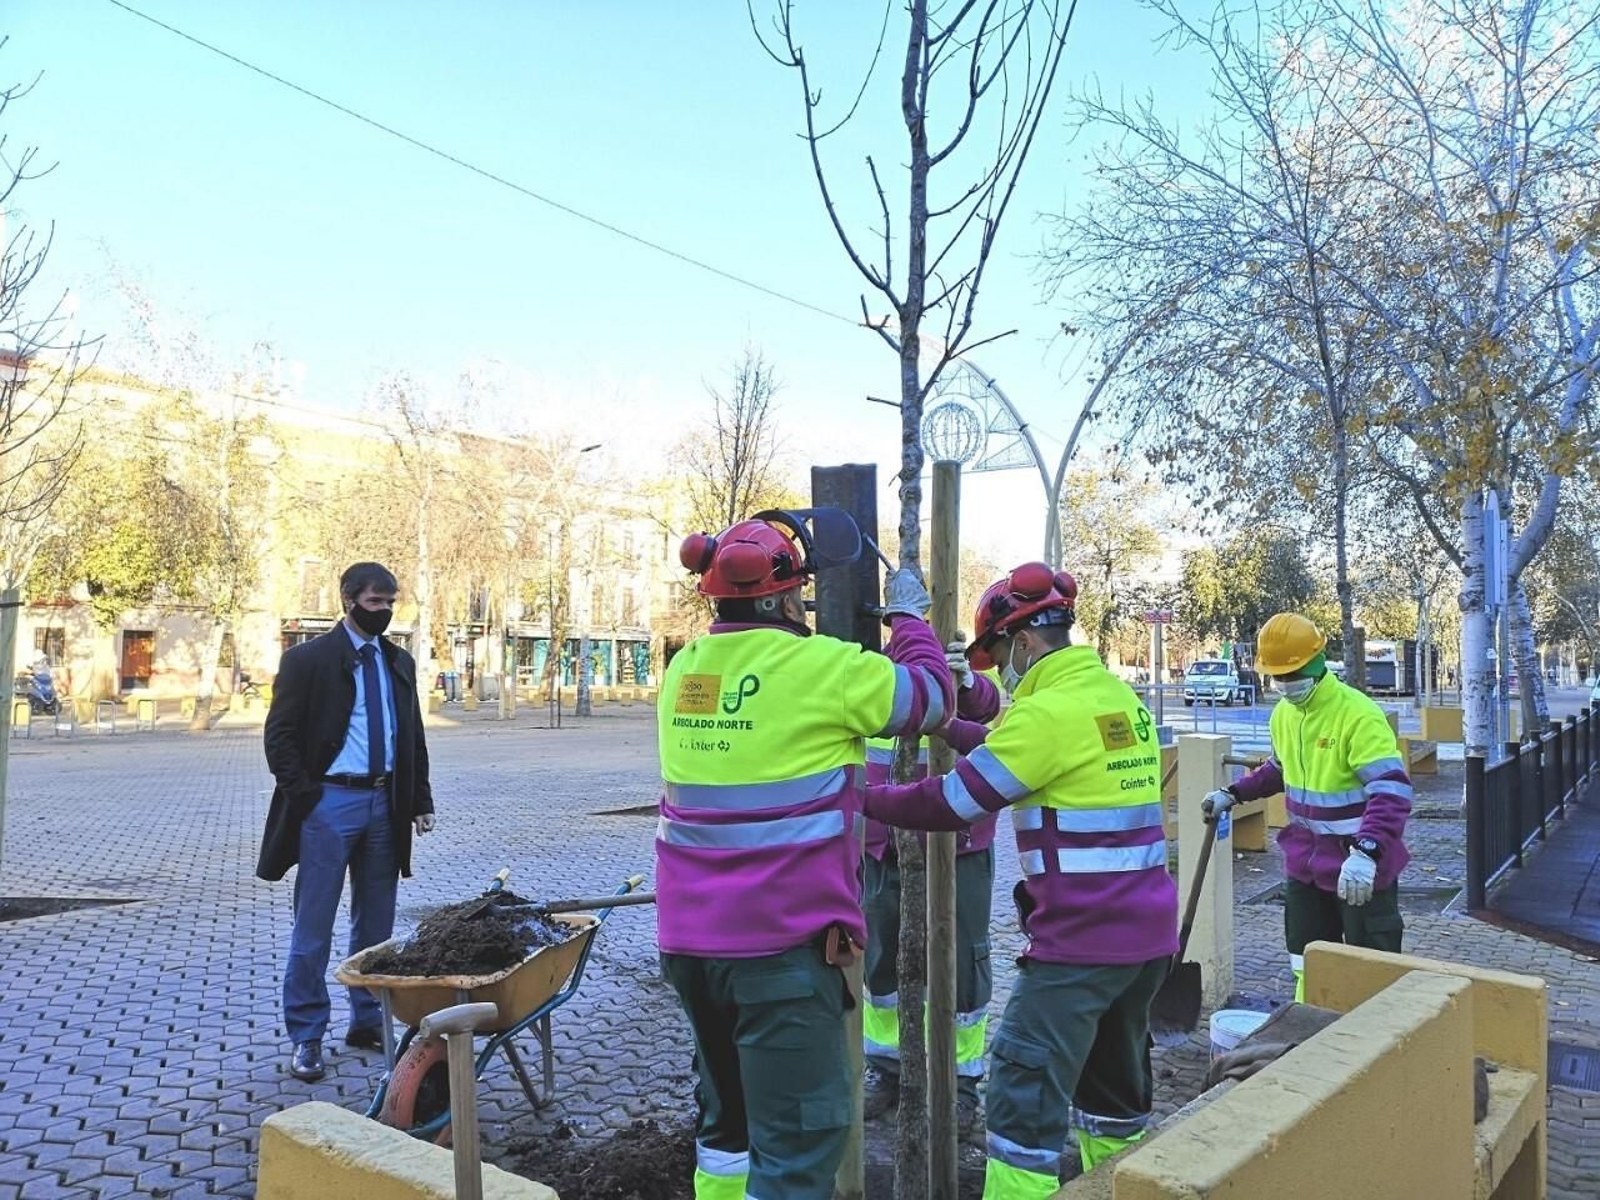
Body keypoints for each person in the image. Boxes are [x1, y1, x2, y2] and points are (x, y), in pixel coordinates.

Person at [656, 516, 953, 1200]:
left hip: (691, 949)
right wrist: (909, 618)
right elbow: (932, 700)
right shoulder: (824, 670)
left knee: (727, 1131)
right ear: (788, 599)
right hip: (782, 955)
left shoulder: (685, 673)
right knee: (798, 1145)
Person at [864, 563, 1178, 1194]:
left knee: (1021, 1096)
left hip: (1079, 947)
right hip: (1145, 940)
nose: (996, 670)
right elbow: (1019, 749)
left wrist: (858, 797)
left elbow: (952, 802)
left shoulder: (1048, 714)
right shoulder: (1115, 698)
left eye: (998, 655)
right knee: (1112, 1093)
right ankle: (1113, 1182)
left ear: (1025, 644)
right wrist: (948, 724)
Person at [259, 562, 437, 1082]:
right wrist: (307, 798)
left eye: (390, 602)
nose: (384, 611)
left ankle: (367, 1021)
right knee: (312, 927)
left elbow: (412, 740)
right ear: (348, 600)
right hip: (329, 806)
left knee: (376, 926)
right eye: (375, 602)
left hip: (386, 807)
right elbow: (280, 738)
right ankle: (307, 1036)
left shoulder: (398, 663)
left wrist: (419, 800)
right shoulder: (308, 661)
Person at [1205, 613, 1412, 1002]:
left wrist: (1367, 851)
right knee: (1307, 961)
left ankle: (1375, 1047)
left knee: (1374, 969)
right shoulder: (1286, 714)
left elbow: (1391, 792)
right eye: (1276, 676)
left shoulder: (1357, 715)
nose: (1284, 684)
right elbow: (1279, 769)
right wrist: (1233, 793)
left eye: (1291, 673)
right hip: (1306, 866)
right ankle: (1311, 1030)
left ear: (1316, 662)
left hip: (1359, 870)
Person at [861, 643, 1001, 1132]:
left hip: (955, 845)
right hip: (885, 842)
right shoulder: (871, 666)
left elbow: (994, 711)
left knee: (963, 964)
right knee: (880, 961)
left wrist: (964, 684)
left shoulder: (963, 668)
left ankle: (960, 1083)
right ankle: (887, 1069)